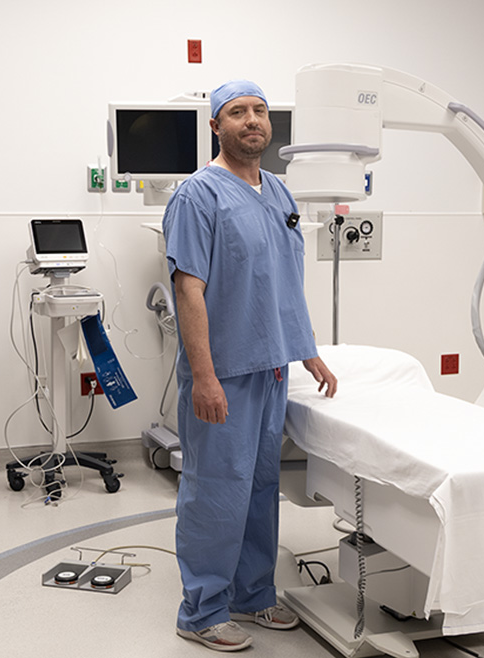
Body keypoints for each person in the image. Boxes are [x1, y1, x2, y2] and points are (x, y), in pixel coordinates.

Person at [162, 79, 337, 652]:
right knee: (217, 489)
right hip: (225, 370)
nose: (252, 120)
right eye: (237, 112)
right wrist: (204, 377)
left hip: (271, 366)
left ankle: (252, 593)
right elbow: (189, 290)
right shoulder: (198, 196)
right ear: (216, 126)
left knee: (260, 486)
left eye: (259, 110)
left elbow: (283, 278)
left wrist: (306, 349)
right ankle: (202, 610)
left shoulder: (279, 191)